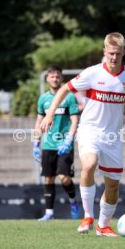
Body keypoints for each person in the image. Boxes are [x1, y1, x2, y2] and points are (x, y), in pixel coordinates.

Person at [40, 32, 125, 236]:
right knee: (89, 165)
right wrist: (49, 115)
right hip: (90, 130)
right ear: (104, 51)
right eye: (110, 53)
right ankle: (88, 216)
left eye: (118, 53)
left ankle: (103, 225)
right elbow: (64, 89)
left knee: (113, 185)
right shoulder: (93, 73)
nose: (114, 57)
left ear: (123, 52)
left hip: (113, 137)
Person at [33, 65, 80, 221]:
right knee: (48, 178)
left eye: (57, 76)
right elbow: (39, 121)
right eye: (52, 76)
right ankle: (49, 213)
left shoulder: (70, 97)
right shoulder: (43, 99)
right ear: (47, 79)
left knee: (64, 178)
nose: (55, 78)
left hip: (64, 145)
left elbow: (75, 120)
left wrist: (69, 139)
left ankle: (73, 202)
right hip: (48, 145)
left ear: (62, 78)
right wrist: (35, 144)